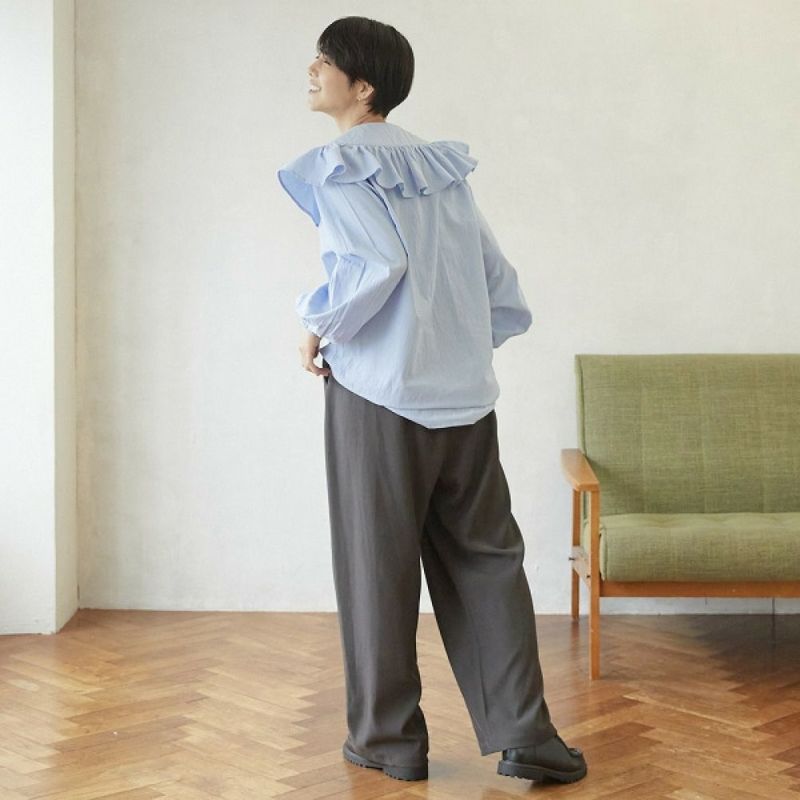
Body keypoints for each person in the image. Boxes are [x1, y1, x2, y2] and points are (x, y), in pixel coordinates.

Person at [276, 15, 587, 785]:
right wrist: (457, 350)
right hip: (465, 402)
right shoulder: (440, 167)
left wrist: (317, 324)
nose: (311, 69)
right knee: (489, 562)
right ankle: (527, 733)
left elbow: (372, 264)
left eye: (326, 60)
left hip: (378, 400)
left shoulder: (340, 163)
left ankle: (389, 741)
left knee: (377, 567)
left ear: (363, 86)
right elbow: (500, 285)